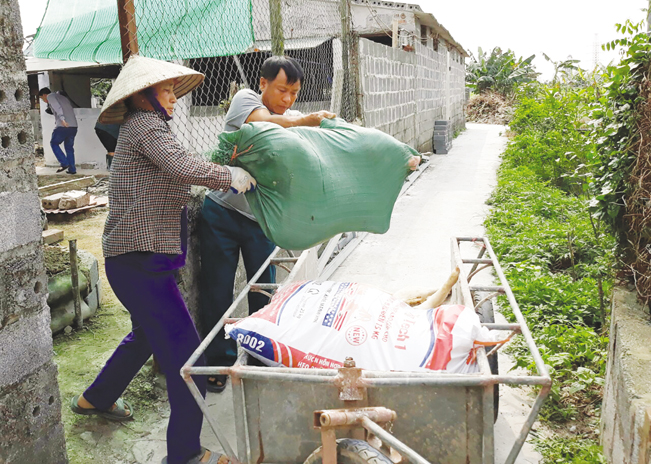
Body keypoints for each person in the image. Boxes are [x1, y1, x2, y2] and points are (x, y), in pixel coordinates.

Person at [69, 55, 255, 464]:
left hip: (136, 260)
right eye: (167, 91)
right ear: (144, 96)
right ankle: (186, 453)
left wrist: (221, 164)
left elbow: (179, 165)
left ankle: (93, 400)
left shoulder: (145, 128)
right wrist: (230, 176)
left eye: (173, 91)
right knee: (189, 358)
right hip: (139, 263)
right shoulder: (145, 125)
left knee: (149, 337)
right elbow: (180, 165)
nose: (173, 99)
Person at [198, 56, 336, 393]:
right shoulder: (246, 100)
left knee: (265, 290)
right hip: (222, 214)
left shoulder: (291, 120)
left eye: (294, 93)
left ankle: (261, 359)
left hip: (261, 220)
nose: (288, 99)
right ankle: (219, 362)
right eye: (282, 89)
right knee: (218, 290)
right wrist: (305, 121)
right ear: (263, 84)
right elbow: (263, 124)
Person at [39, 87, 78, 174]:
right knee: (69, 148)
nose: (44, 100)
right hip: (73, 126)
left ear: (45, 95)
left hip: (63, 126)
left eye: (42, 98)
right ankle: (72, 169)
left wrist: (62, 119)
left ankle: (64, 163)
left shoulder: (50, 96)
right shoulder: (63, 98)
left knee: (54, 143)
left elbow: (57, 108)